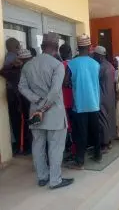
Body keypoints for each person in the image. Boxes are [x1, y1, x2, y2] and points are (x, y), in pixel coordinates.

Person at [18, 32, 73, 189]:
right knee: (55, 147)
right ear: (56, 48)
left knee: (38, 145)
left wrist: (36, 101)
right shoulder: (57, 65)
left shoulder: (28, 65)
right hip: (53, 113)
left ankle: (42, 177)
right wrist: (44, 106)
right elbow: (55, 92)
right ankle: (55, 180)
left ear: (42, 47)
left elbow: (21, 87)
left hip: (35, 113)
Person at [64, 34, 102, 169]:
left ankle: (80, 161)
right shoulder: (96, 64)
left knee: (80, 133)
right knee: (95, 130)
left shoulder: (71, 64)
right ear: (89, 47)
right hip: (94, 103)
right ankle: (98, 154)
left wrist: (75, 85)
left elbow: (65, 82)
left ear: (78, 47)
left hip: (79, 105)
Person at [0, 48, 32, 154]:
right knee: (28, 124)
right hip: (25, 102)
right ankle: (27, 147)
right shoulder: (17, 71)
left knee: (26, 124)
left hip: (26, 102)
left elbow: (3, 71)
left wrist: (13, 64)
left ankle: (26, 147)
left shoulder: (18, 71)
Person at [93, 46, 117, 151]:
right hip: (110, 97)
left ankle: (105, 144)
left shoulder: (100, 67)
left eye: (95, 55)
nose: (93, 56)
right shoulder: (110, 66)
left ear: (99, 55)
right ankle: (110, 141)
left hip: (102, 97)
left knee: (102, 121)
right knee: (110, 119)